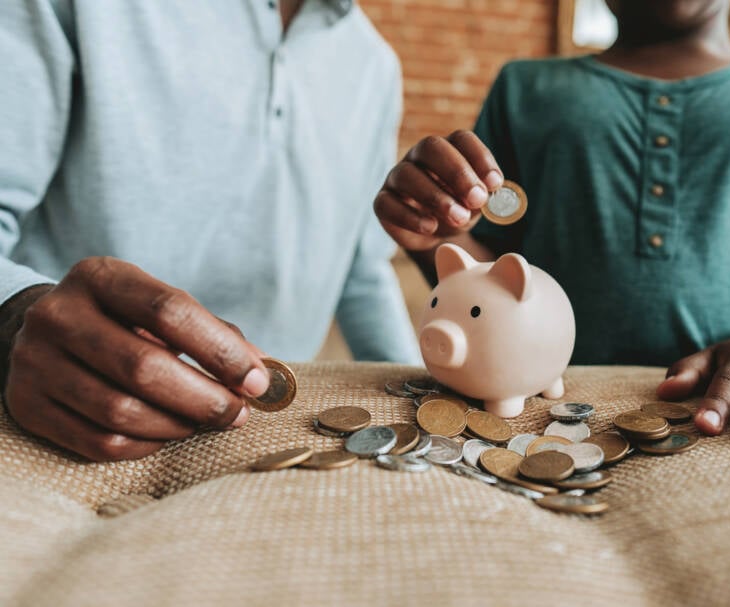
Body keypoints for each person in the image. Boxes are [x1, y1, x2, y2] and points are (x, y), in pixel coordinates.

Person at [374, 0, 730, 452]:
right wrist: (439, 239)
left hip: (727, 419)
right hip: (538, 421)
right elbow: (492, 281)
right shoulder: (526, 91)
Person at [0, 0, 419, 461]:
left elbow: (360, 271)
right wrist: (15, 317)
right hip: (72, 414)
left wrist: (420, 397)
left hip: (272, 437)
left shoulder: (376, 68)